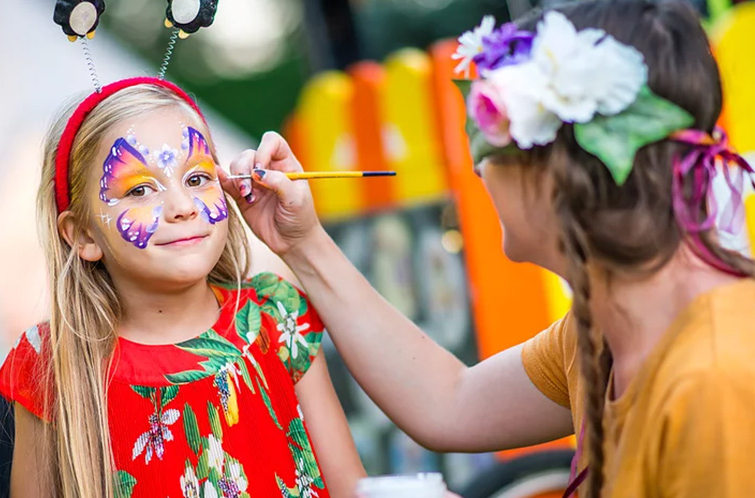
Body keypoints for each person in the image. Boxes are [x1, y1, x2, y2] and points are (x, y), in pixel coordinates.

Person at [222, 1, 755, 497]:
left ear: (554, 173)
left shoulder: (719, 378)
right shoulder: (606, 328)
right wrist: (303, 242)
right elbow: (450, 401)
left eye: (488, 139)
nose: (478, 170)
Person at [0, 77, 365, 498]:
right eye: (140, 189)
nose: (183, 207)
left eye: (195, 179)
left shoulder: (277, 315)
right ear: (83, 236)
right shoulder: (53, 364)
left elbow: (353, 489)